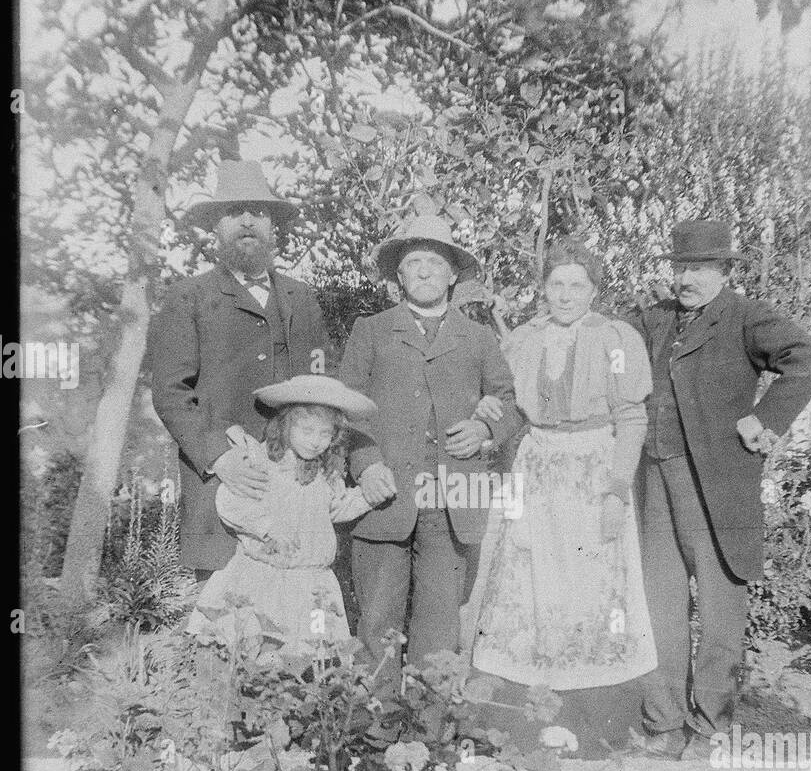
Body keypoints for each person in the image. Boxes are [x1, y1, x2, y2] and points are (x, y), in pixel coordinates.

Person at [627, 218, 811, 760]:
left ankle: (710, 725)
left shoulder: (746, 317)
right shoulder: (653, 320)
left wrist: (765, 417)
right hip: (652, 478)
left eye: (699, 267)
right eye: (680, 267)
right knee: (658, 602)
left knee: (720, 605)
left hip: (716, 484)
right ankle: (663, 721)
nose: (687, 277)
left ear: (722, 271)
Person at [470, 236, 657, 742]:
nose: (566, 295)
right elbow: (506, 404)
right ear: (544, 289)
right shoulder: (524, 339)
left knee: (591, 587)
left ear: (594, 289)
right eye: (557, 284)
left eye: (578, 285)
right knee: (529, 584)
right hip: (537, 468)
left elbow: (631, 417)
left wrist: (617, 489)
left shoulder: (616, 340)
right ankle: (523, 719)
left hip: (593, 469)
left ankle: (593, 719)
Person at [338, 213, 523, 679]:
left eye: (434, 262)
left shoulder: (478, 338)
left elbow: (509, 403)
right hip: (385, 495)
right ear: (398, 275)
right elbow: (347, 408)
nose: (423, 271)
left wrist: (485, 433)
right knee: (378, 617)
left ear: (453, 274)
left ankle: (429, 733)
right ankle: (374, 736)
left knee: (440, 621)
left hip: (454, 497)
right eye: (413, 262)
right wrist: (365, 466)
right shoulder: (371, 330)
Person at [148, 161, 331, 582]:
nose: (247, 221)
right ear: (216, 226)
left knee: (292, 608)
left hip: (291, 482)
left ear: (273, 228)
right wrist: (218, 457)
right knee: (224, 618)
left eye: (259, 212)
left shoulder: (299, 297)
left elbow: (320, 386)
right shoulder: (188, 297)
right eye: (234, 212)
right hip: (223, 482)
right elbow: (171, 391)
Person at [187, 375, 376, 654]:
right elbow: (229, 502)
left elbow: (336, 509)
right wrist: (268, 527)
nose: (316, 442)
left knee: (312, 650)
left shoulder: (325, 474)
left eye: (325, 434)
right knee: (263, 647)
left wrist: (367, 498)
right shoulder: (263, 463)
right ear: (286, 426)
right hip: (267, 578)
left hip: (312, 583)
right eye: (307, 431)